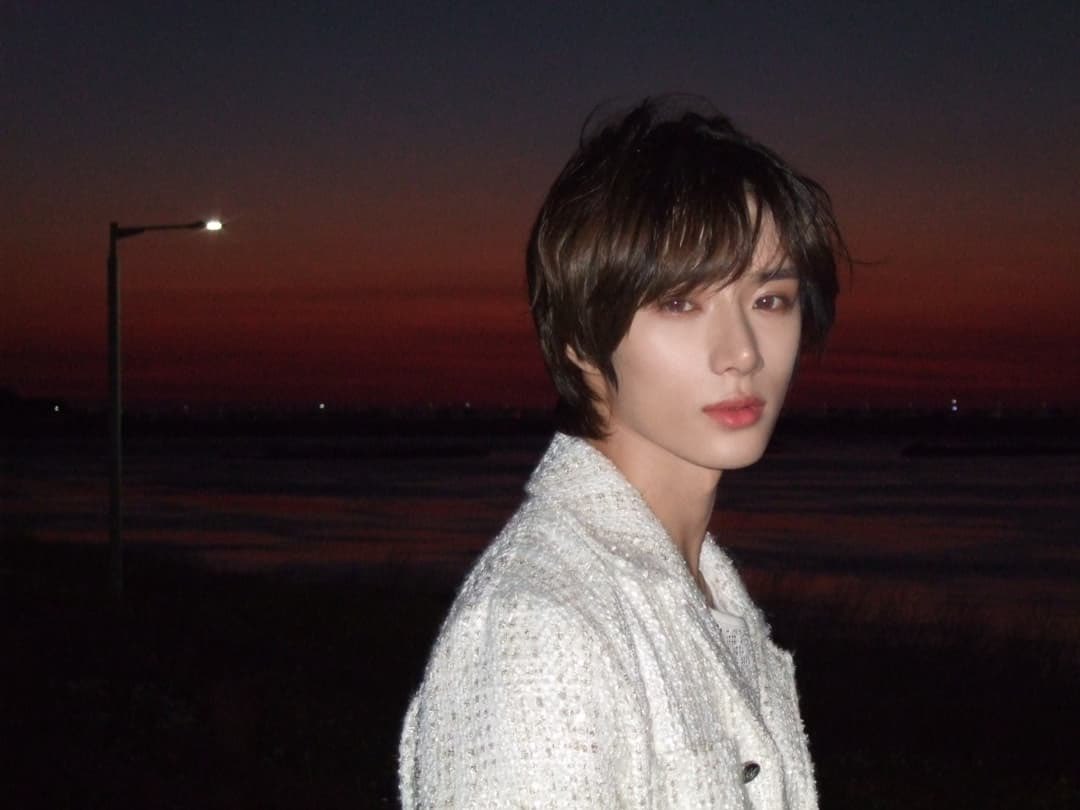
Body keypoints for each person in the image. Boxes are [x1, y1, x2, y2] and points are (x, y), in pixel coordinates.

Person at [399, 96, 846, 808]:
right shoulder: (542, 628)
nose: (741, 353)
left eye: (770, 300)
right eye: (680, 302)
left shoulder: (697, 591)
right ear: (579, 341)